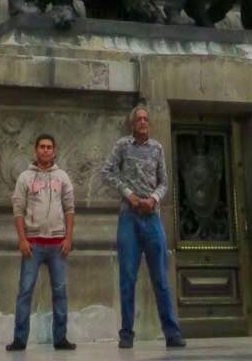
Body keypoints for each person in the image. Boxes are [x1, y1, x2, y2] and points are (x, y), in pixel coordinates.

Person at [100, 105, 185, 350]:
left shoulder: (157, 148)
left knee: (161, 277)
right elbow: (106, 172)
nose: (143, 122)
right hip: (129, 217)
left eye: (146, 119)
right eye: (138, 119)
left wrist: (154, 199)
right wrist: (129, 195)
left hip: (152, 218)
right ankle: (126, 334)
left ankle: (172, 333)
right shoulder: (122, 146)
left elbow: (164, 182)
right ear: (132, 123)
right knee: (127, 277)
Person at [8, 133, 77, 353]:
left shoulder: (63, 177)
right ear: (35, 150)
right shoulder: (25, 178)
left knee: (60, 292)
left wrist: (68, 237)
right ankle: (19, 340)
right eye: (42, 147)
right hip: (33, 245)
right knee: (25, 291)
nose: (45, 150)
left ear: (54, 151)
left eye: (49, 147)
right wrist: (22, 239)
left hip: (57, 244)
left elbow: (70, 209)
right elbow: (18, 211)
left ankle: (60, 338)